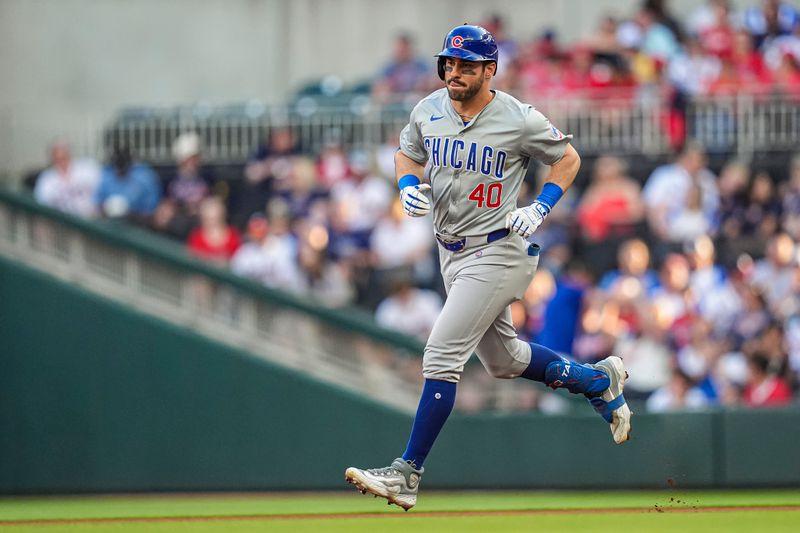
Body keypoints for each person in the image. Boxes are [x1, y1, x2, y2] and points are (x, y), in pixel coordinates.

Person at [345, 24, 632, 511]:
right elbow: (405, 153)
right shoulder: (428, 109)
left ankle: (406, 474)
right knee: (505, 362)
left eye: (467, 65)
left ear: (489, 69)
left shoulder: (516, 117)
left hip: (499, 247)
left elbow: (567, 158)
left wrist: (541, 205)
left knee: (440, 355)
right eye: (450, 64)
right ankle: (596, 381)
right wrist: (407, 182)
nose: (455, 73)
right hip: (451, 251)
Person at [33, 141, 100, 218]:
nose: (61, 162)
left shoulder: (87, 168)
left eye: (64, 158)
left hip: (91, 218)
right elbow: (42, 205)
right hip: (62, 223)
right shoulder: (46, 179)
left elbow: (102, 192)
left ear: (69, 155)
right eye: (57, 159)